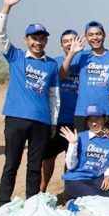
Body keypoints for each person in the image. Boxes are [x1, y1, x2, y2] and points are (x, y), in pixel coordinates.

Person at [0, 0, 60, 207]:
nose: (38, 42)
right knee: (12, 162)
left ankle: (32, 204)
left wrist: (52, 122)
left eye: (42, 38)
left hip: (41, 121)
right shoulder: (16, 57)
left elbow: (54, 96)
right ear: (26, 39)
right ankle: (4, 202)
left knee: (35, 165)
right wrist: (6, 7)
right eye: (34, 38)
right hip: (16, 118)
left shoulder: (50, 64)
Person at [60, 20, 109, 132]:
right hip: (82, 112)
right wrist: (71, 53)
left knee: (107, 147)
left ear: (104, 35)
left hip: (108, 112)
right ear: (86, 37)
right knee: (81, 147)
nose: (95, 38)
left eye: (98, 34)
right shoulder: (81, 56)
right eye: (90, 35)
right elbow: (61, 75)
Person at [41, 29, 78, 192]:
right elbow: (61, 76)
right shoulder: (53, 63)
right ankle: (41, 191)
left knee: (71, 157)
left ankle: (68, 191)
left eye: (73, 40)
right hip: (57, 118)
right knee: (48, 157)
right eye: (66, 41)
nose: (70, 43)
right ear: (61, 45)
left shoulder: (86, 61)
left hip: (78, 117)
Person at [59, 105, 109, 199]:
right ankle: (71, 201)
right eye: (90, 120)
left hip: (96, 179)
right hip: (77, 179)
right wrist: (73, 144)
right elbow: (70, 166)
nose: (93, 124)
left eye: (97, 119)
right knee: (96, 197)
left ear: (105, 119)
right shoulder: (79, 137)